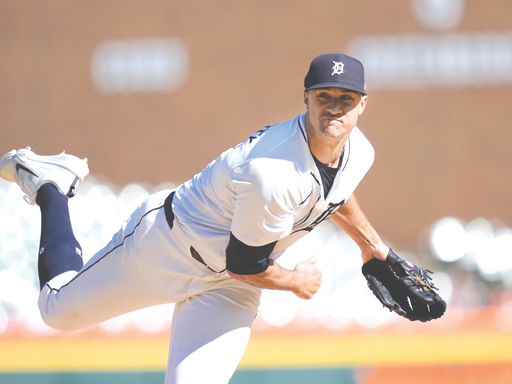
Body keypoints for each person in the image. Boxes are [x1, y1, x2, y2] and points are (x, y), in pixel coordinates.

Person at [0, 53, 390, 384]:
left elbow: (335, 192)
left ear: (363, 104)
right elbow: (245, 263)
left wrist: (372, 247)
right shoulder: (273, 171)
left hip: (228, 287)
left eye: (346, 97)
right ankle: (50, 185)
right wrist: (296, 282)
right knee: (56, 312)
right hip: (166, 249)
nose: (334, 106)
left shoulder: (362, 152)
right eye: (324, 96)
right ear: (306, 99)